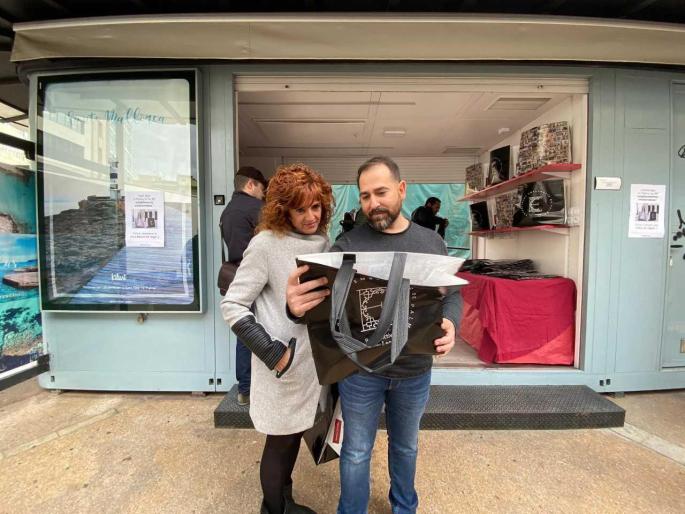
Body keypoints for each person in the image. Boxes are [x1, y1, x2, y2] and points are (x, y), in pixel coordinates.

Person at [286, 156, 460, 514]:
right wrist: (294, 309)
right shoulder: (345, 245)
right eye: (365, 196)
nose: (373, 203)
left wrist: (451, 323)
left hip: (414, 370)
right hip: (360, 372)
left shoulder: (432, 243)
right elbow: (318, 305)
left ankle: (404, 508)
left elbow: (452, 294)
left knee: (406, 447)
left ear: (402, 189)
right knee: (355, 451)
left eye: (381, 192)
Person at [221, 163, 333, 514]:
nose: (311, 216)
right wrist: (272, 353)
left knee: (295, 435)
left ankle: (284, 501)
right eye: (300, 209)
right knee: (279, 442)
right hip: (281, 365)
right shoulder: (265, 244)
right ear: (283, 210)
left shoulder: (323, 242)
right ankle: (273, 509)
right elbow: (233, 305)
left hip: (312, 367)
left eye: (316, 206)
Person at [220, 165, 268, 406]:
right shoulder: (257, 209)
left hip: (238, 278)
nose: (263, 194)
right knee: (268, 327)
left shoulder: (227, 212)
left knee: (245, 332)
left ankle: (245, 389)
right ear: (251, 184)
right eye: (262, 189)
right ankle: (264, 385)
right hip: (259, 277)